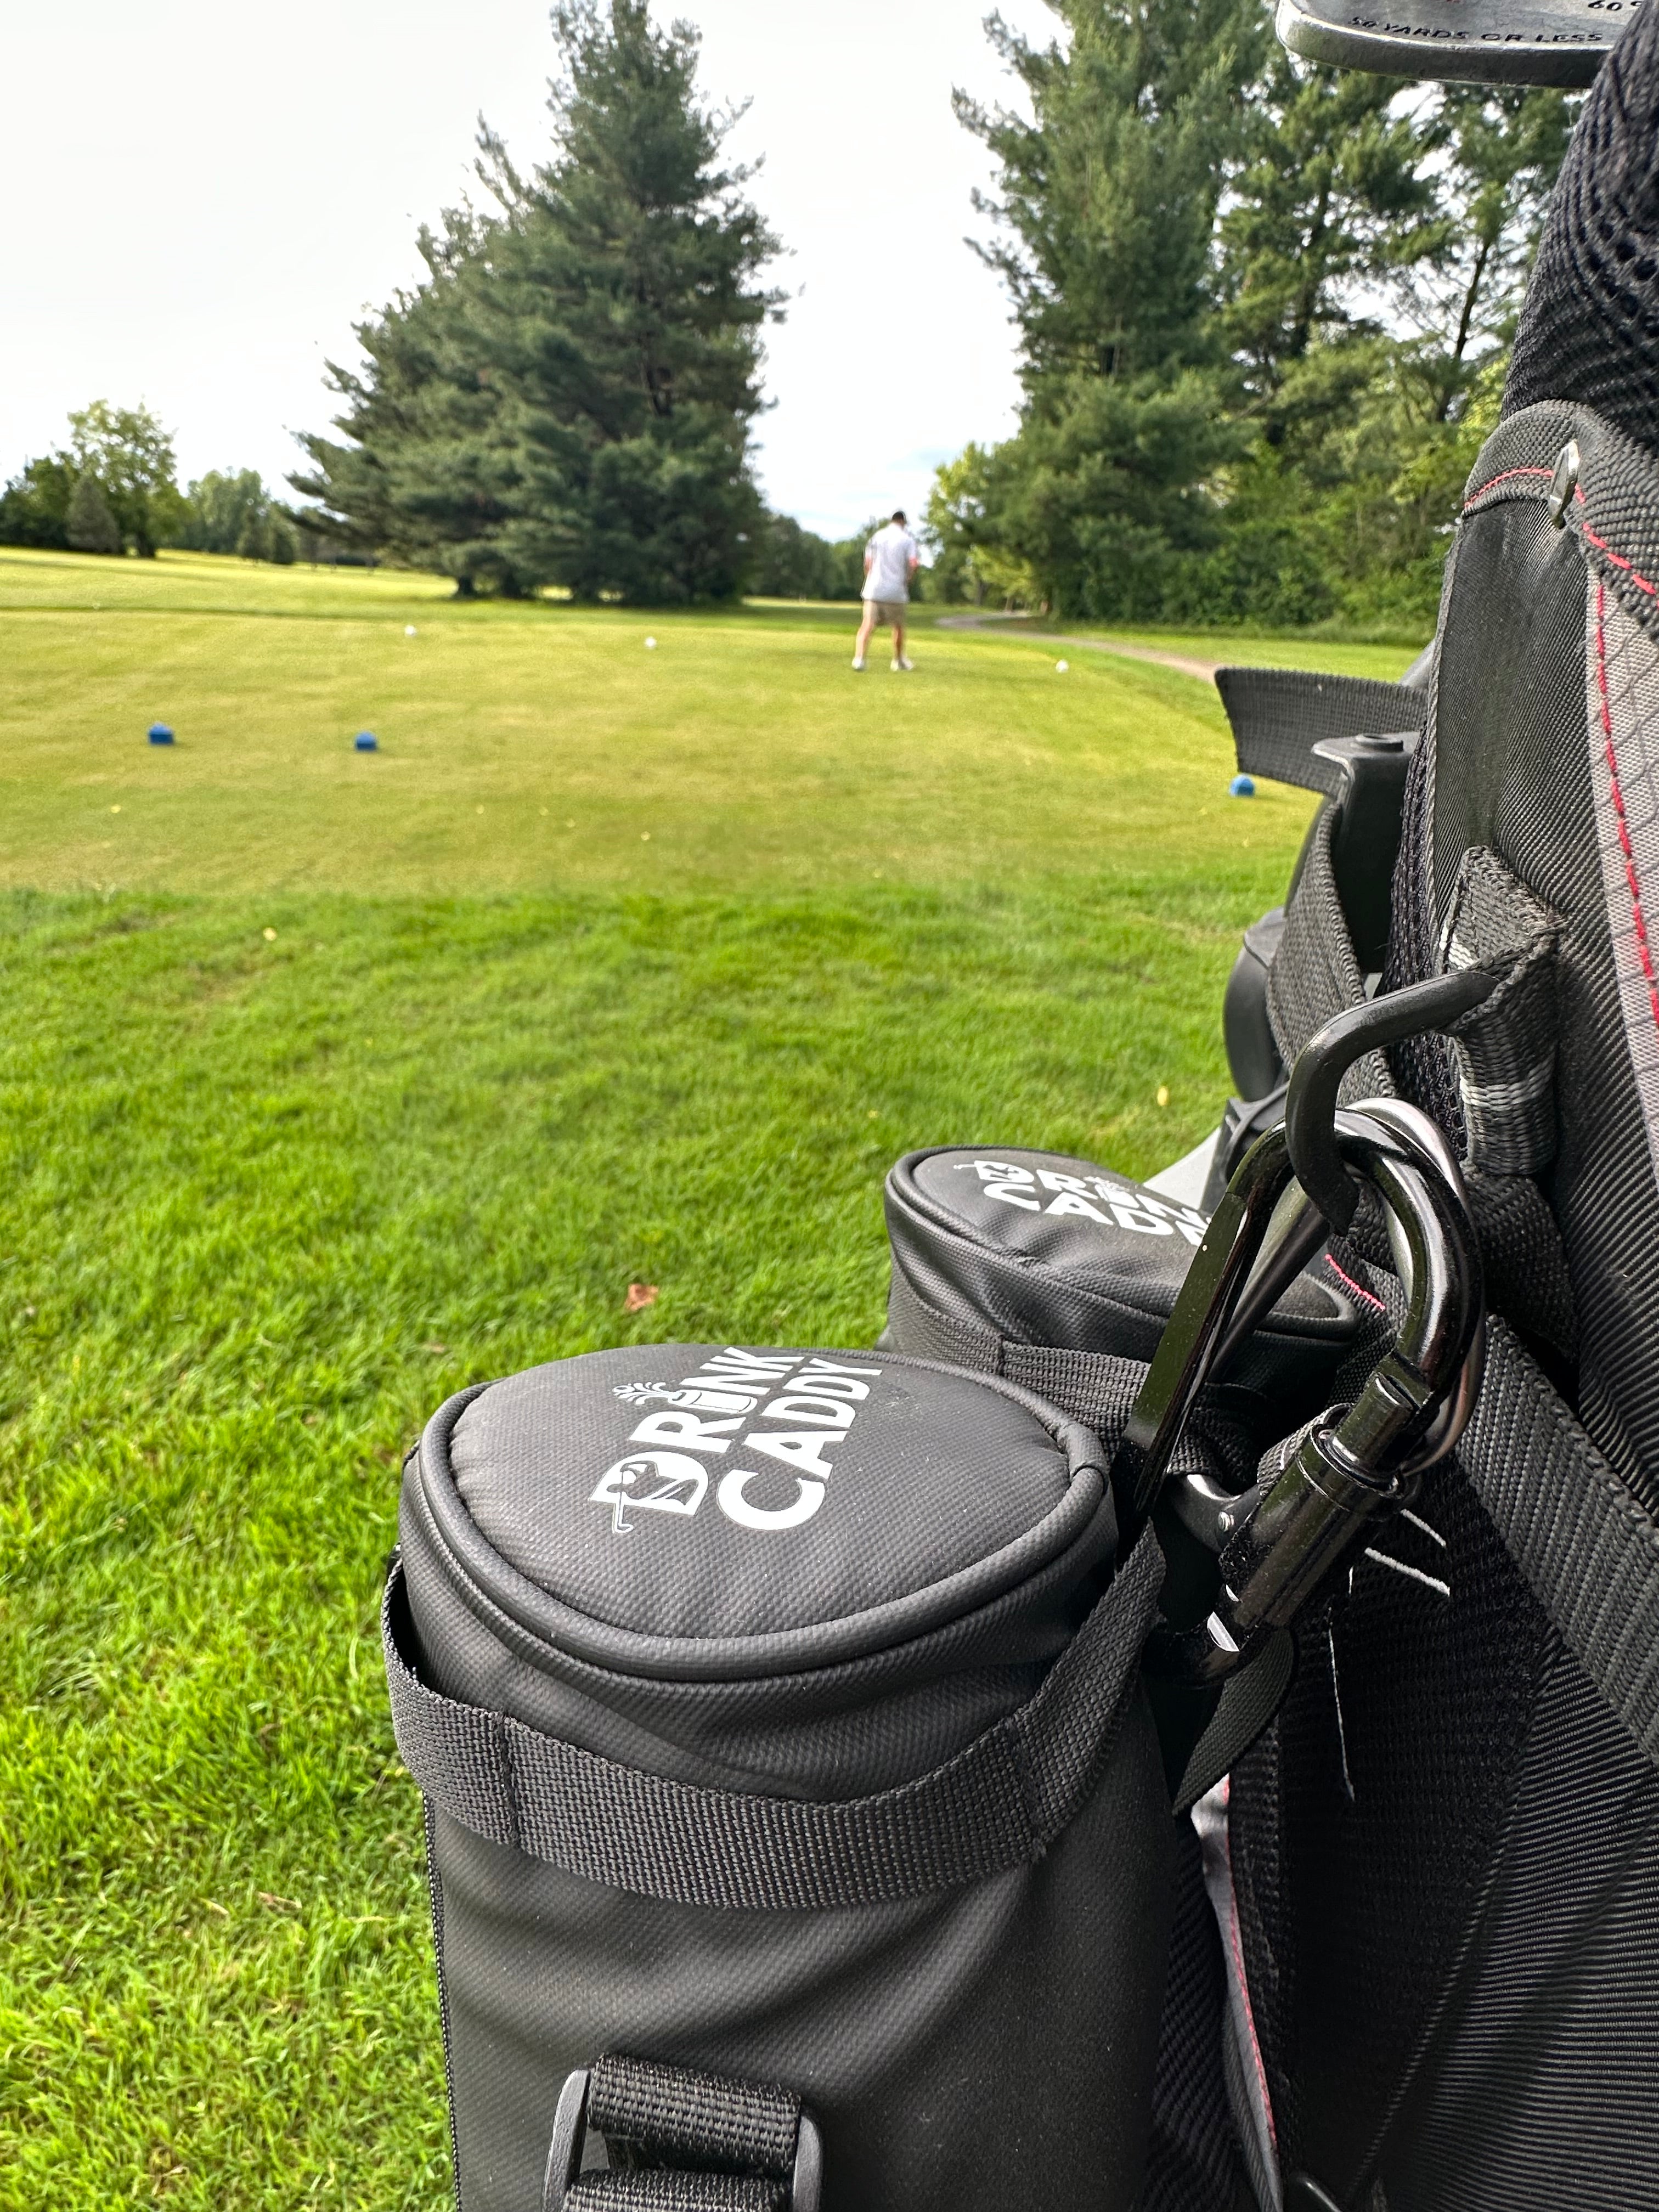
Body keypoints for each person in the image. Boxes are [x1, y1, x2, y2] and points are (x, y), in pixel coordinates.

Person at [853, 511, 920, 672]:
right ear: (903, 522)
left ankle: (859, 659)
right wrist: (908, 579)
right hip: (896, 590)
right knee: (898, 627)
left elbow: (868, 563)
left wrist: (869, 579)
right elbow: (914, 563)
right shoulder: (907, 540)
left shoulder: (876, 537)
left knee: (867, 625)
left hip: (874, 589)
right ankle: (898, 661)